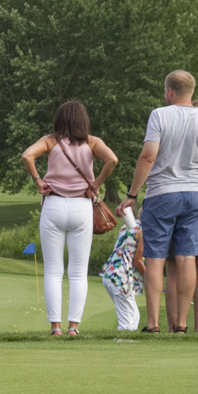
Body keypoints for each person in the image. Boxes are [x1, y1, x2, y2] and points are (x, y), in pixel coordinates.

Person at [117, 70, 198, 334]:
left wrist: (132, 195)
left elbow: (148, 156)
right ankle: (182, 325)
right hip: (196, 193)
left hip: (162, 193)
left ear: (169, 91)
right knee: (187, 257)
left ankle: (154, 324)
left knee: (156, 258)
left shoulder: (159, 115)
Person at [20, 100, 119, 337]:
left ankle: (55, 327)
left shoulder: (50, 141)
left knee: (53, 271)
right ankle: (73, 326)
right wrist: (96, 183)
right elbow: (112, 160)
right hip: (81, 207)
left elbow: (27, 155)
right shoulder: (92, 142)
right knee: (78, 272)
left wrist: (38, 181)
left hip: (53, 205)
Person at [101, 214, 144, 332]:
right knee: (128, 322)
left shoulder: (125, 227)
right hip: (121, 277)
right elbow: (138, 261)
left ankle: (125, 341)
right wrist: (151, 280)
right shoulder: (143, 232)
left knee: (134, 316)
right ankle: (122, 342)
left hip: (110, 273)